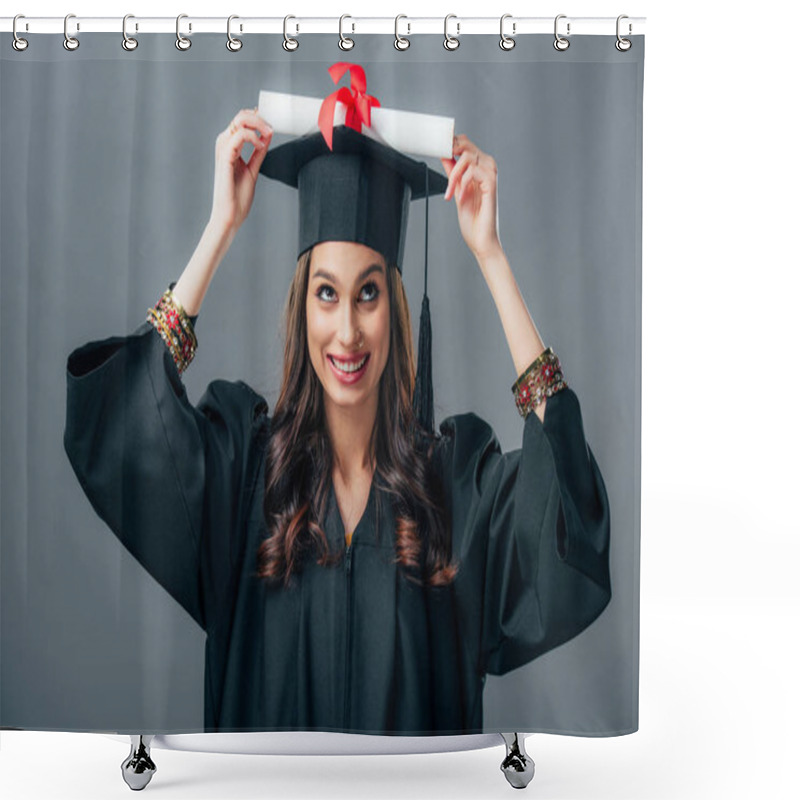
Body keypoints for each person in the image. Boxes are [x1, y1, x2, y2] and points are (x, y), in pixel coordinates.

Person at [63, 102, 611, 735]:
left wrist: (491, 256)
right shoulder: (245, 477)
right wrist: (220, 228)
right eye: (327, 293)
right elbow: (118, 425)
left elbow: (573, 534)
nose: (347, 331)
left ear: (396, 310)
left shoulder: (454, 493)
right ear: (303, 308)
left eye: (369, 293)